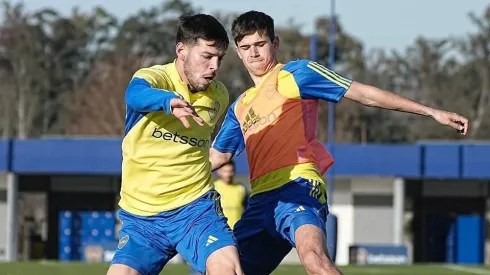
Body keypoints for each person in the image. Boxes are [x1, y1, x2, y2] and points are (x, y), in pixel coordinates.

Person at [209, 10, 469, 275]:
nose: (253, 53)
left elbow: (362, 94)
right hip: (261, 201)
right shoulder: (240, 107)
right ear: (238, 53)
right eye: (246, 47)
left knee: (313, 258)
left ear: (274, 44)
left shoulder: (297, 74)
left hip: (298, 186)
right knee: (224, 269)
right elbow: (215, 157)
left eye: (260, 44)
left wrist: (430, 111)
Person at [107, 14, 243, 275]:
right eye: (207, 56)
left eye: (220, 58)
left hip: (195, 210)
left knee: (228, 268)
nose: (214, 66)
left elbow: (219, 148)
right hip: (141, 217)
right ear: (181, 51)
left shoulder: (219, 96)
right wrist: (168, 102)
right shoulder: (155, 78)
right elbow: (134, 94)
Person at [213, 160, 248, 229]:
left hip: (238, 230)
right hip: (219, 230)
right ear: (219, 171)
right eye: (225, 171)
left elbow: (247, 210)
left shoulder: (241, 188)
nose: (228, 174)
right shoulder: (213, 188)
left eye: (231, 171)